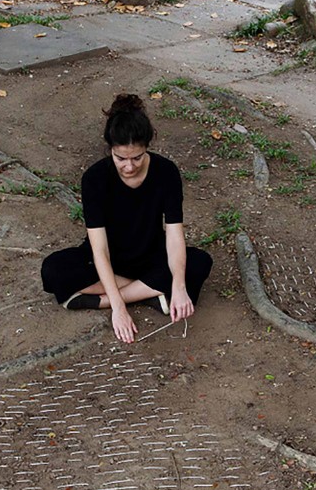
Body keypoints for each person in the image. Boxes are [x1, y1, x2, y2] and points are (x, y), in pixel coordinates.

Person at [41, 93, 213, 344]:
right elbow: (99, 249)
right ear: (110, 149)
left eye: (137, 157)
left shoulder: (166, 172)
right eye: (120, 158)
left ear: (147, 147)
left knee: (199, 263)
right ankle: (149, 292)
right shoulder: (94, 178)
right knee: (53, 270)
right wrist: (119, 309)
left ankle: (103, 299)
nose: (129, 166)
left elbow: (175, 234)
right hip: (108, 258)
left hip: (150, 254)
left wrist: (177, 285)